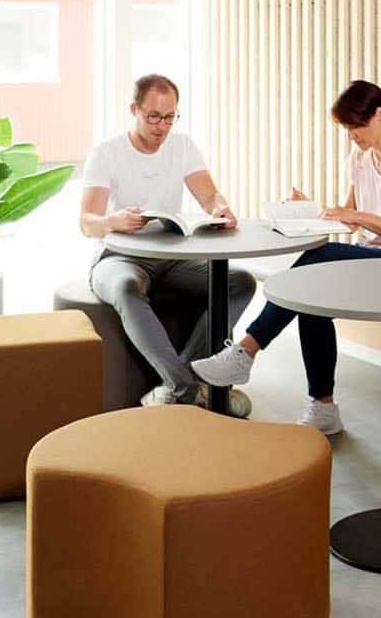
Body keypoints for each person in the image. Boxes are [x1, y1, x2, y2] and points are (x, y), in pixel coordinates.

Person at [192, 80, 381, 434]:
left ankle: (246, 350)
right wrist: (310, 209)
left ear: (380, 115)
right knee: (310, 292)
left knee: (315, 264)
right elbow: (349, 217)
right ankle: (323, 408)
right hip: (374, 259)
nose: (353, 135)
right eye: (347, 128)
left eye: (357, 126)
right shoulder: (359, 159)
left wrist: (358, 217)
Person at [80, 74, 256, 415]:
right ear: (134, 110)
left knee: (240, 281)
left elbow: (208, 194)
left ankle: (183, 378)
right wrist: (114, 222)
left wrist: (219, 207)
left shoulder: (183, 146)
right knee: (127, 288)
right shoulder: (106, 153)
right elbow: (87, 222)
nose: (162, 127)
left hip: (173, 256)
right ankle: (188, 389)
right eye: (153, 117)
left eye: (170, 117)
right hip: (120, 255)